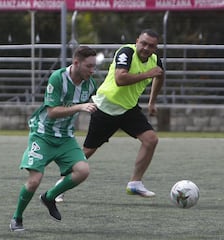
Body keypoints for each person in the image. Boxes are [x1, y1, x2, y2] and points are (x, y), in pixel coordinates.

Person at [55, 29, 164, 202]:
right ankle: (61, 185)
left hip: (128, 109)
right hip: (106, 107)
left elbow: (159, 76)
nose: (145, 48)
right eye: (143, 43)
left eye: (151, 46)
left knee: (151, 140)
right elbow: (121, 79)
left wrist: (152, 102)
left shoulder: (155, 60)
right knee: (88, 150)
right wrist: (148, 74)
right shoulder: (126, 52)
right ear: (137, 41)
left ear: (155, 48)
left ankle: (135, 183)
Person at [9, 46, 98, 232]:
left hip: (65, 138)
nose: (92, 70)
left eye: (94, 66)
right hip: (43, 135)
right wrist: (79, 107)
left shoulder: (90, 85)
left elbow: (95, 103)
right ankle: (17, 218)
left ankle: (49, 197)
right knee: (34, 180)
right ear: (76, 63)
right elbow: (52, 112)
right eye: (89, 66)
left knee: (83, 170)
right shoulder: (58, 78)